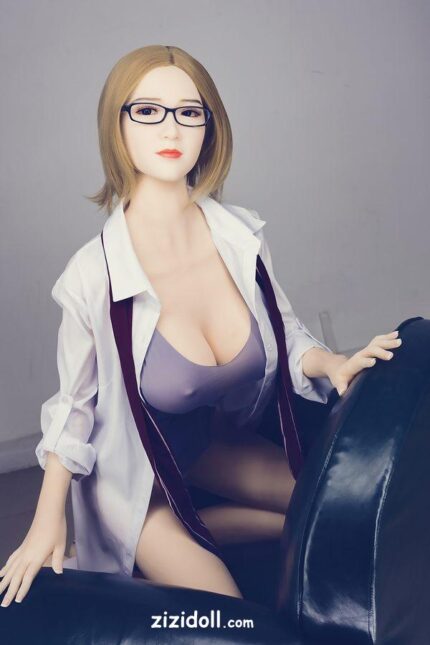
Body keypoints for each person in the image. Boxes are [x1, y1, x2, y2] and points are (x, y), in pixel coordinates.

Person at [0, 45, 402, 608]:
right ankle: (147, 549)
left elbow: (285, 335)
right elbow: (74, 408)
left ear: (209, 127)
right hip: (140, 487)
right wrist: (47, 520)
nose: (171, 128)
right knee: (231, 622)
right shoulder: (93, 276)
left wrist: (332, 363)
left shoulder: (240, 236)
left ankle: (209, 532)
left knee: (353, 513)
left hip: (212, 450)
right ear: (116, 124)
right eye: (147, 111)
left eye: (189, 112)